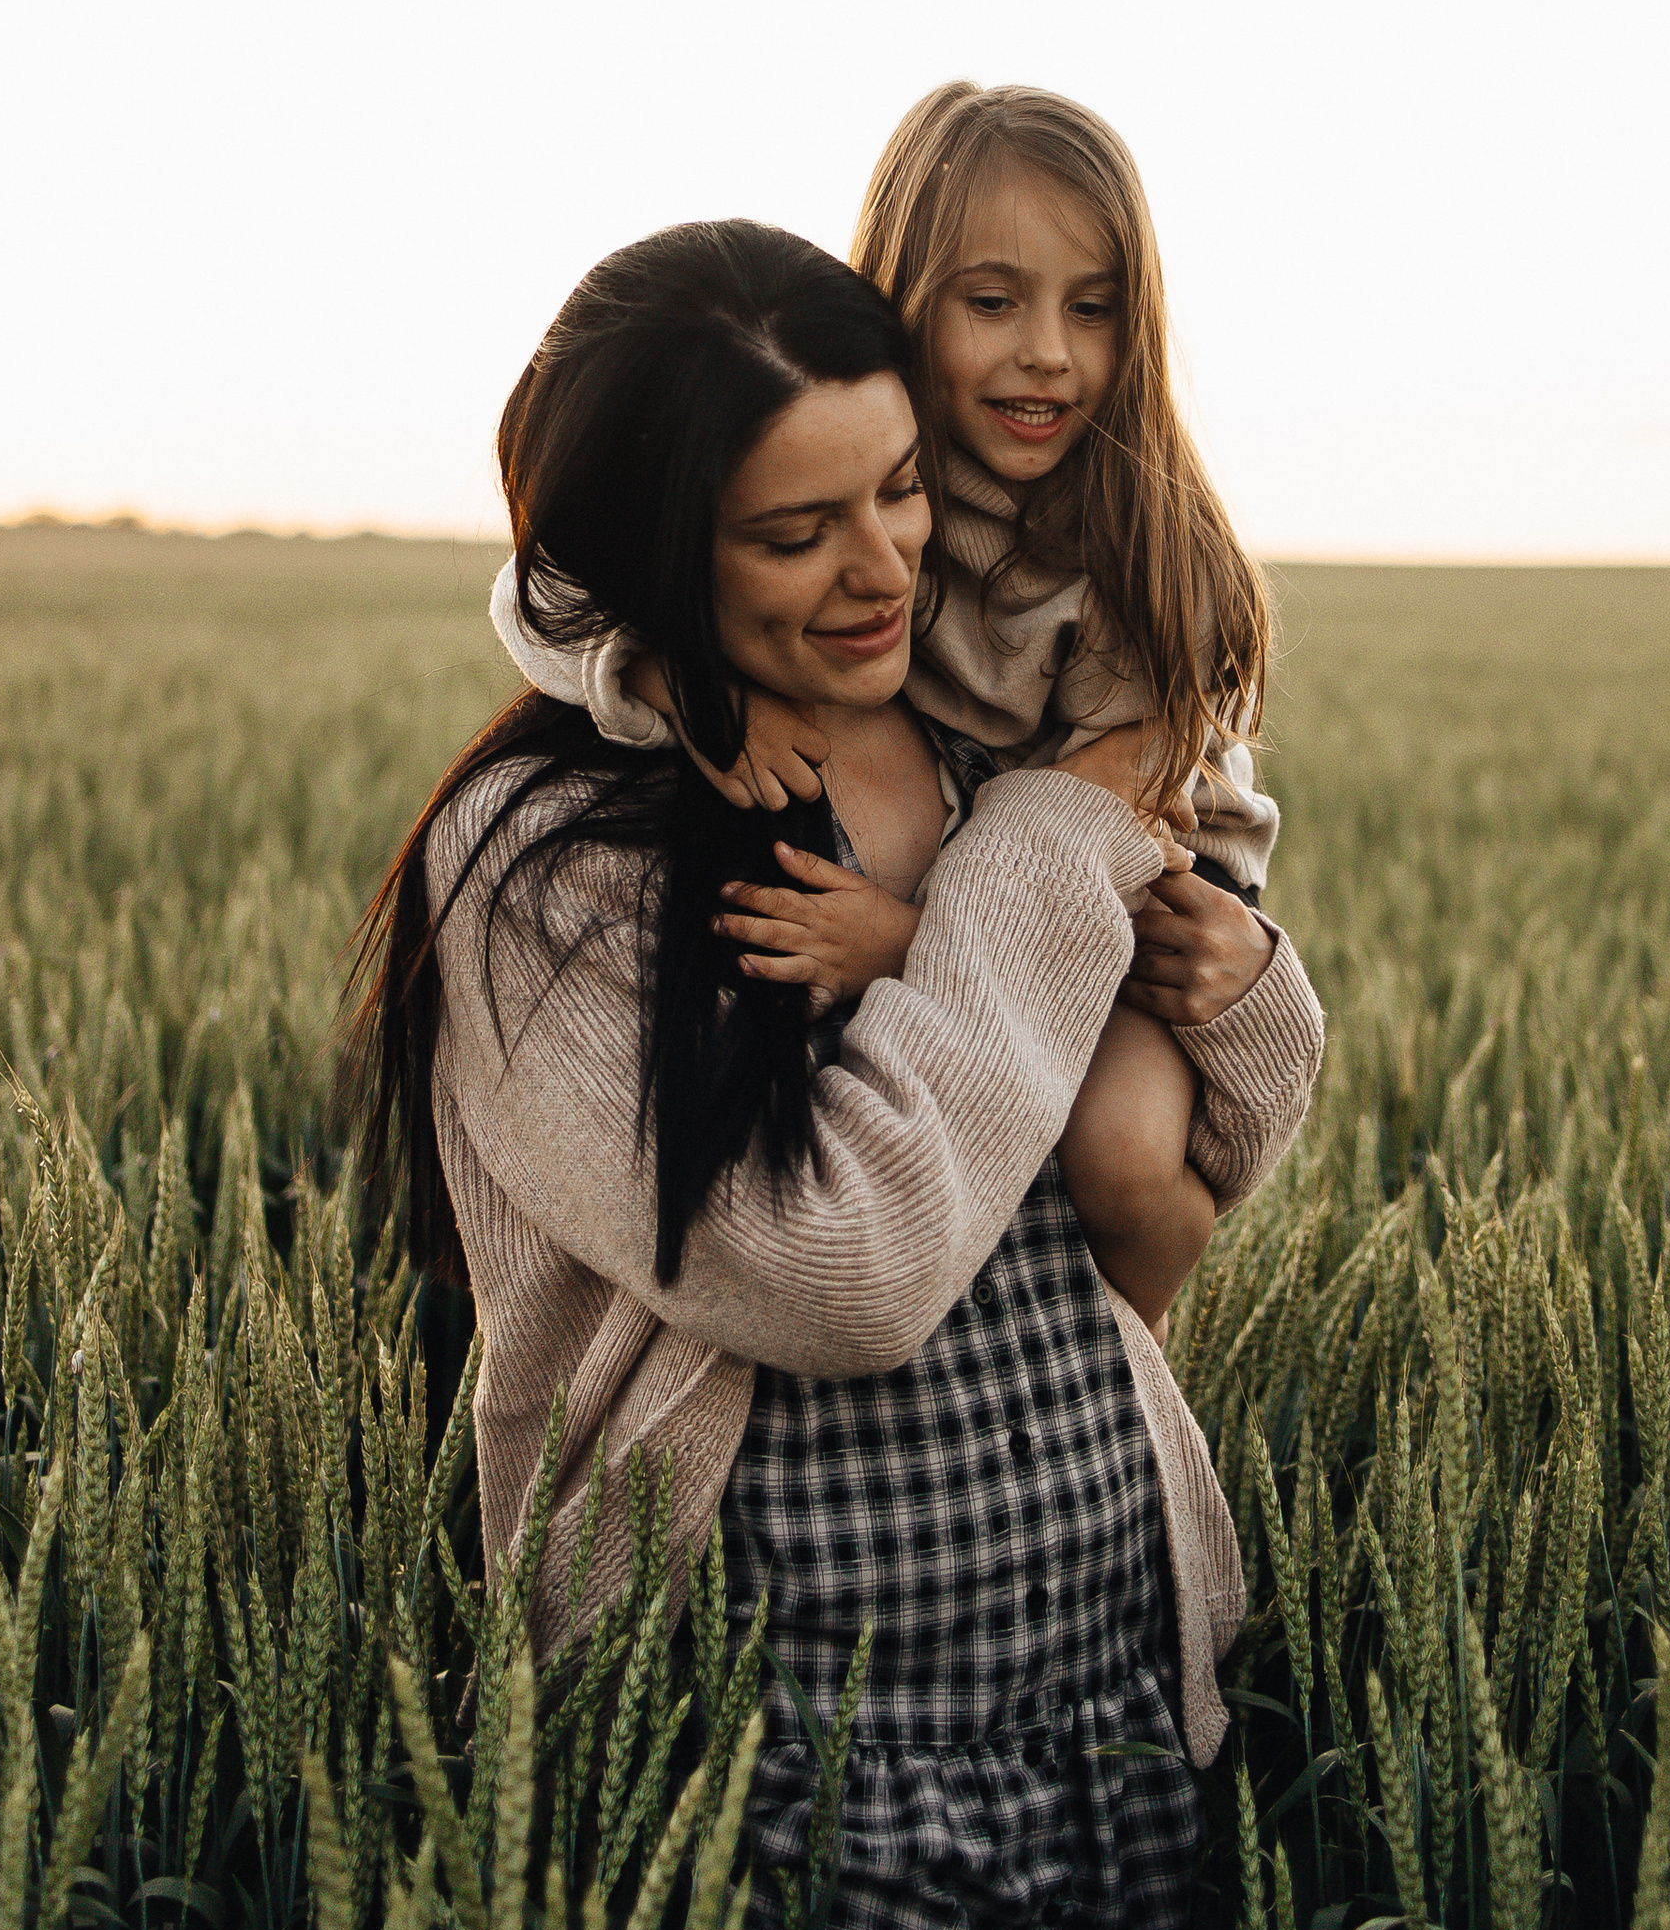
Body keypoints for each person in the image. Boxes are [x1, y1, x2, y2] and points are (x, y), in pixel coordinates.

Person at [340, 219, 1323, 1930]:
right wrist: (1054, 856)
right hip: (803, 1749)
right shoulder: (546, 871)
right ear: (644, 559)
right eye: (797, 530)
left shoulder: (966, 737)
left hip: (1102, 1690)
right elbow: (840, 1266)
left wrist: (1237, 984)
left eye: (900, 489)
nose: (884, 564)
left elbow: (1220, 1129)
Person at [492, 84, 1277, 1331]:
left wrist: (911, 942)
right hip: (1010, 882)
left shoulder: (1136, 550)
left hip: (1147, 904)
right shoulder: (838, 437)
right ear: (901, 299)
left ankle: (1135, 1361)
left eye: (1093, 308)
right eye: (991, 301)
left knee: (1120, 1156)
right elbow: (541, 598)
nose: (1046, 353)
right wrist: (659, 679)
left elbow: (1098, 858)